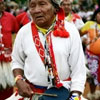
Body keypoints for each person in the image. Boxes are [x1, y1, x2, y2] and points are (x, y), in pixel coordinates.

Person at [10, 0, 86, 100]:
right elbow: (17, 62)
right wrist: (19, 80)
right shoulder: (23, 32)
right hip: (32, 95)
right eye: (32, 6)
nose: (36, 10)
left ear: (55, 8)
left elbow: (78, 69)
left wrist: (75, 96)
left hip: (65, 94)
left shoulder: (71, 31)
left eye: (42, 4)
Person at [0, 0, 19, 100]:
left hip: (7, 58)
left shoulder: (10, 17)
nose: (2, 6)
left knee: (8, 85)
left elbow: (16, 34)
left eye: (2, 3)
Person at [80, 8, 100, 100]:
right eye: (99, 14)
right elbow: (78, 34)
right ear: (96, 15)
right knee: (92, 74)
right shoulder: (89, 24)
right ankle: (92, 94)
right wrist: (82, 39)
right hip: (91, 55)